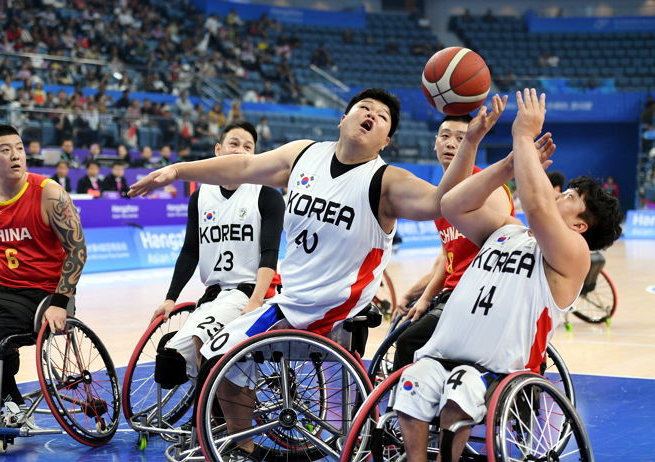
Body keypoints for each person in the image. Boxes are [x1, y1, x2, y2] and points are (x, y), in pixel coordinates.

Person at [130, 88, 505, 458]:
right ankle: (244, 447)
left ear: (385, 140)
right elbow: (243, 166)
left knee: (225, 358)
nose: (370, 114)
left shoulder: (386, 182)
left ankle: (239, 443)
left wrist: (470, 143)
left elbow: (442, 201)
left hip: (335, 308)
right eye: (364, 107)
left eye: (382, 116)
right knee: (214, 357)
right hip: (290, 301)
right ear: (344, 119)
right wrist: (176, 170)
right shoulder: (303, 155)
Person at [393, 90, 623, 462]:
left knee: (460, 391)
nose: (558, 195)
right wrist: (509, 163)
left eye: (569, 196)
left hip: (497, 368)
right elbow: (451, 205)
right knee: (411, 385)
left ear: (581, 225)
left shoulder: (574, 255)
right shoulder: (507, 228)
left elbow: (536, 205)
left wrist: (524, 135)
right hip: (443, 352)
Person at [0, 125, 86, 427]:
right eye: (5, 150)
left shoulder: (48, 192)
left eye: (19, 148)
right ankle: (11, 399)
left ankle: (8, 394)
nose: (16, 155)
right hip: (1, 288)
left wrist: (60, 301)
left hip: (44, 292)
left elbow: (77, 250)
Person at [151, 121, 285, 387]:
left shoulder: (266, 194)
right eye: (233, 143)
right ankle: (213, 415)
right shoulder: (200, 197)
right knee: (170, 363)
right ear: (218, 150)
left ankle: (212, 421)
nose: (240, 151)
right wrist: (170, 298)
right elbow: (190, 251)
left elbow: (270, 252)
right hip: (213, 296)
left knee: (203, 344)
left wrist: (256, 300)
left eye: (248, 147)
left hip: (248, 291)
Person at [392, 108, 517, 370]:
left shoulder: (487, 186)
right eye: (445, 136)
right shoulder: (441, 197)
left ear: (474, 140)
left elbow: (506, 247)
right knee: (401, 325)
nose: (451, 143)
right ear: (435, 142)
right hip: (452, 294)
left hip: (479, 296)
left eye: (461, 138)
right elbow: (445, 259)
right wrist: (421, 297)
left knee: (408, 342)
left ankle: (401, 410)